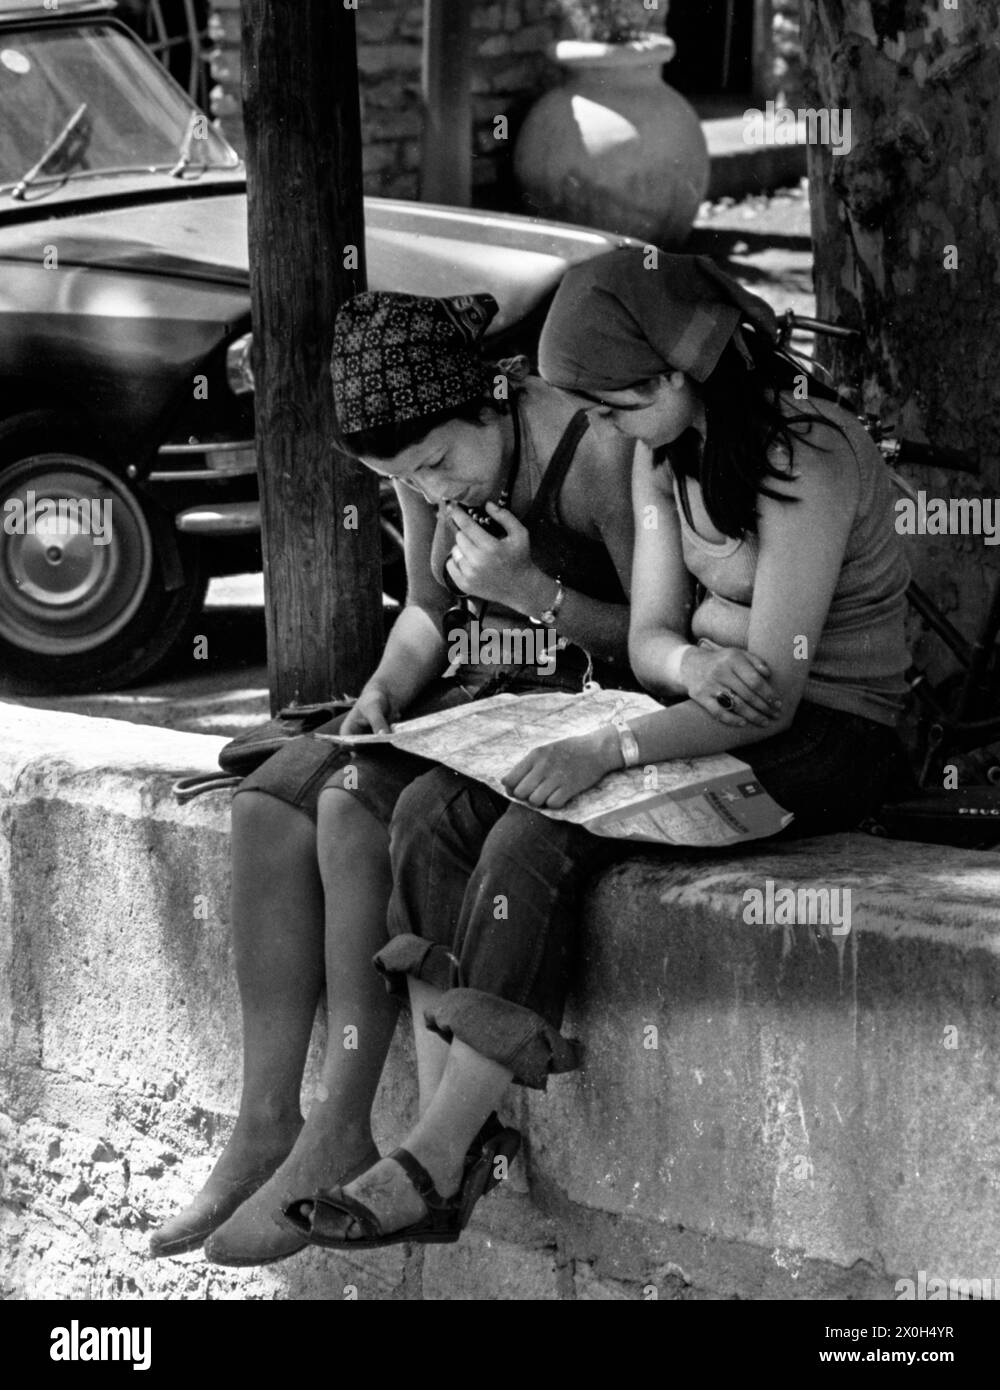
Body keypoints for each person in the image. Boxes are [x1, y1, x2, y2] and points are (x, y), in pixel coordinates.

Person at [277, 250, 911, 1249]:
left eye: (612, 408)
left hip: (827, 736)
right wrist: (689, 667)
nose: (601, 431)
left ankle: (436, 1157)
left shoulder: (808, 456)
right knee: (429, 814)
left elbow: (774, 693)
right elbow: (656, 637)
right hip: (706, 713)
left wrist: (613, 744)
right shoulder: (664, 454)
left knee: (541, 831)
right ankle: (446, 1134)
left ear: (673, 377)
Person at [149, 289, 637, 1263]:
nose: (434, 490)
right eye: (401, 480)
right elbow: (423, 610)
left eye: (439, 465)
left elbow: (655, 646)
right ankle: (261, 1122)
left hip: (579, 715)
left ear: (489, 402)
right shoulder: (427, 458)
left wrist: (530, 593)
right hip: (477, 705)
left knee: (343, 805)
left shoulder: (590, 458)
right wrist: (379, 689)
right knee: (267, 795)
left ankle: (340, 1126)